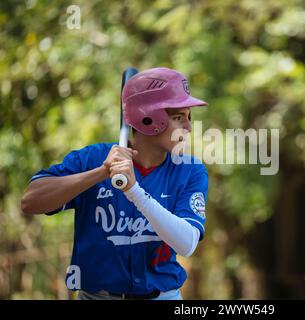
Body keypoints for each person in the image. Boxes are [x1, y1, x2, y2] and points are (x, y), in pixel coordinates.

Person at [21, 67, 209, 300]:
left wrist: (134, 191)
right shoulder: (92, 159)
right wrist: (101, 172)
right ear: (149, 119)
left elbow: (186, 244)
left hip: (162, 296)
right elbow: (30, 201)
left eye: (189, 117)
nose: (189, 128)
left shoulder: (190, 170)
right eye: (179, 117)